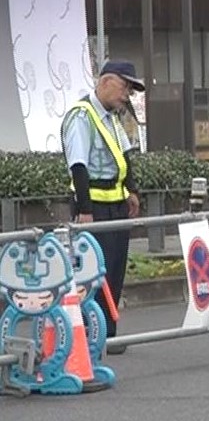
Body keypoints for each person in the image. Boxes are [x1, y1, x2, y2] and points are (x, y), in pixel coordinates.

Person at [61, 60, 143, 354]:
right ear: (106, 81)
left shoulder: (111, 117)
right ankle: (92, 332)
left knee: (115, 268)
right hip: (93, 206)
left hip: (116, 203)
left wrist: (131, 190)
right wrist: (85, 210)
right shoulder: (82, 116)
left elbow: (123, 154)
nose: (127, 96)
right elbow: (78, 166)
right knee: (95, 272)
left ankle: (108, 331)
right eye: (125, 88)